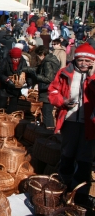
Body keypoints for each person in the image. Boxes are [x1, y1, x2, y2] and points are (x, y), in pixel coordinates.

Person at [48, 43, 95, 208]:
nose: (83, 63)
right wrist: (62, 101)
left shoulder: (94, 75)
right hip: (69, 120)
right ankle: (64, 186)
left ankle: (80, 194)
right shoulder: (65, 73)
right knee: (67, 155)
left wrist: (92, 76)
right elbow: (53, 91)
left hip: (90, 124)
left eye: (87, 61)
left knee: (84, 159)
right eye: (80, 60)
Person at [25, 45, 60, 127]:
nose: (38, 58)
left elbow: (48, 79)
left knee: (47, 112)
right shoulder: (51, 60)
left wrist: (36, 76)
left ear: (42, 54)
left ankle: (48, 130)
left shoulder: (47, 63)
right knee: (47, 111)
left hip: (48, 90)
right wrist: (26, 69)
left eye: (38, 56)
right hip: (50, 89)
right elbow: (37, 69)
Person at [0, 47, 28, 114]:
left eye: (18, 58)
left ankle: (10, 120)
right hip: (5, 87)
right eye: (14, 58)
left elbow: (25, 71)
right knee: (1, 105)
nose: (16, 60)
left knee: (13, 107)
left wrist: (25, 80)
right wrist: (7, 80)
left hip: (15, 88)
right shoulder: (5, 61)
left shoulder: (23, 61)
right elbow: (0, 74)